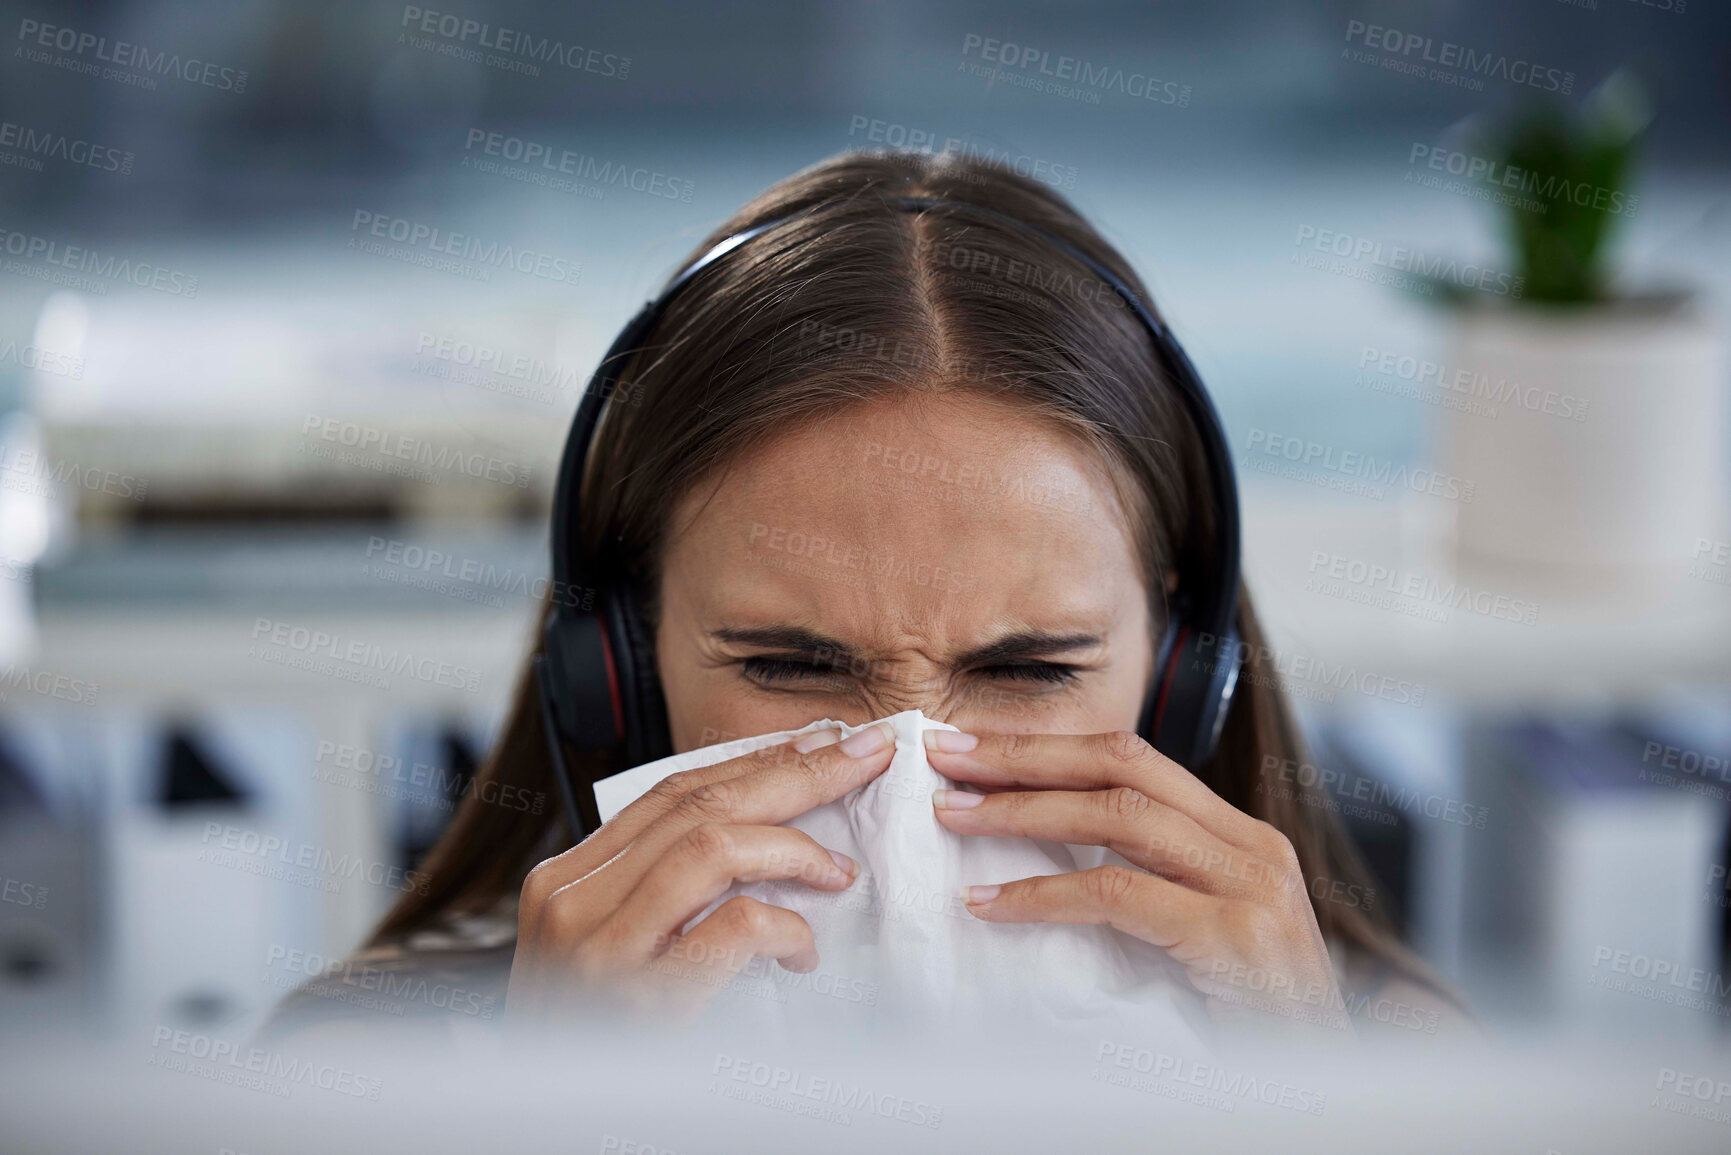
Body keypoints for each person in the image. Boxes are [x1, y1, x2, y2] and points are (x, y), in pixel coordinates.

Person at [265, 149, 1463, 1046]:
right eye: (788, 664)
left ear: (1184, 673)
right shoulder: (364, 1075)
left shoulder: (1391, 1067)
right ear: (617, 668)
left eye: (1029, 670)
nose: (905, 762)